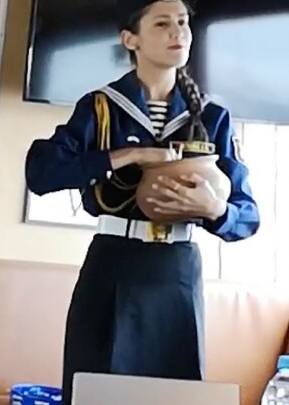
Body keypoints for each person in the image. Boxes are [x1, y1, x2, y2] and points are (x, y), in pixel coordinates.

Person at [24, 0, 260, 403]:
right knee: (97, 392)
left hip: (176, 273)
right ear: (129, 39)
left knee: (172, 395)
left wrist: (214, 209)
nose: (179, 33)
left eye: (183, 23)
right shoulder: (100, 108)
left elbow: (247, 218)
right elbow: (42, 174)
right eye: (163, 24)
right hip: (113, 264)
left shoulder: (213, 117)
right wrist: (128, 156)